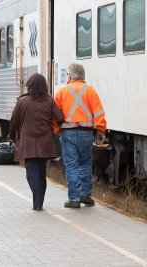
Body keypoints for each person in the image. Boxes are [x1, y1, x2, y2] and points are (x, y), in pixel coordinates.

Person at [54, 63, 107, 208]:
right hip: (86, 134)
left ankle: (74, 199)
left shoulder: (62, 92)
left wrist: (56, 129)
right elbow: (99, 113)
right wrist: (101, 130)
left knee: (71, 165)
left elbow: (55, 114)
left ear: (70, 76)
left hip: (68, 134)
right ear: (83, 76)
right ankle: (86, 196)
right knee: (85, 163)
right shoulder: (90, 91)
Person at [9, 73, 64, 211]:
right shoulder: (49, 101)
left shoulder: (22, 102)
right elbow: (60, 118)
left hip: (28, 143)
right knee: (41, 173)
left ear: (30, 86)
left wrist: (11, 136)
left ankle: (37, 203)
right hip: (45, 142)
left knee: (31, 174)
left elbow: (14, 122)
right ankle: (38, 202)